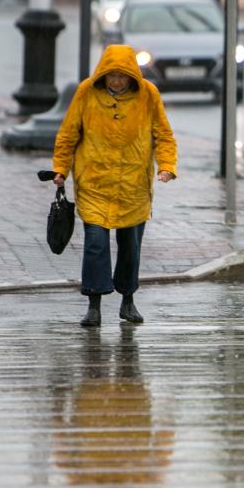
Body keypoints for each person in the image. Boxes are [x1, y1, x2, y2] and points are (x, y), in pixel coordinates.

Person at [52, 44, 177, 327]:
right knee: (95, 244)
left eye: (122, 76)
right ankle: (93, 305)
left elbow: (164, 135)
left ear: (132, 75)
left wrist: (167, 166)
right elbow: (68, 134)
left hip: (133, 186)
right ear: (103, 75)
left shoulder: (148, 95)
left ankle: (127, 300)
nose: (117, 81)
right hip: (95, 183)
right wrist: (60, 169)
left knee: (130, 246)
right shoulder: (86, 92)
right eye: (112, 76)